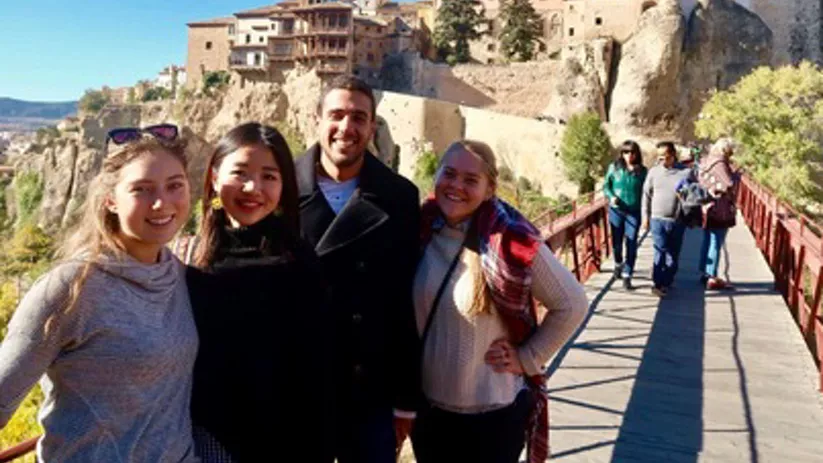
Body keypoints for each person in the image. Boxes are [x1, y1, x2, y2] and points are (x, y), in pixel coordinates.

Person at [0, 127, 199, 462]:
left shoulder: (178, 274)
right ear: (110, 199)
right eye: (141, 189)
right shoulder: (70, 287)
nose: (162, 202)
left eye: (174, 185)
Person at [410, 140, 588, 463]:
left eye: (470, 180)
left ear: (490, 188)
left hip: (491, 420)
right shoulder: (422, 227)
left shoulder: (508, 240)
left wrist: (527, 357)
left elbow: (572, 303)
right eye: (448, 174)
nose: (456, 186)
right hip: (429, 415)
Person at [184, 122, 333, 462]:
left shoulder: (298, 262)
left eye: (269, 176)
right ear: (214, 177)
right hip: (207, 440)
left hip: (285, 441)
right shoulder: (188, 258)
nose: (253, 188)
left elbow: (318, 371)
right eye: (240, 173)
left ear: (284, 186)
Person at [295, 75, 421, 462]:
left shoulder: (399, 196)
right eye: (336, 114)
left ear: (372, 126)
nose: (346, 128)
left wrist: (405, 400)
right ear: (315, 119)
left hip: (371, 388)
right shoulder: (279, 189)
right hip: (296, 387)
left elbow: (404, 301)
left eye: (358, 117)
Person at [642, 141, 693, 297]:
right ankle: (658, 284)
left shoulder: (686, 173)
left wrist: (684, 197)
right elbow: (646, 196)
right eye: (658, 157)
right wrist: (645, 217)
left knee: (673, 255)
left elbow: (693, 197)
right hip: (657, 219)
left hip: (677, 220)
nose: (661, 160)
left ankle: (667, 281)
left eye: (664, 156)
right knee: (660, 251)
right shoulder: (653, 172)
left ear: (673, 155)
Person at [603, 140, 647, 290]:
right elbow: (606, 186)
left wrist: (647, 213)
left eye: (632, 152)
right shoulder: (614, 168)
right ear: (622, 153)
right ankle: (618, 263)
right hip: (616, 210)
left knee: (632, 242)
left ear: (637, 154)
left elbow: (647, 193)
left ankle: (627, 275)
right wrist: (611, 196)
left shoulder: (642, 171)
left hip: (634, 212)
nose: (629, 155)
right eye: (626, 152)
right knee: (616, 242)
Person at [697, 138, 739, 290]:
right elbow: (729, 183)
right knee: (716, 241)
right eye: (730, 151)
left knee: (707, 240)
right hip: (720, 208)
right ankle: (711, 276)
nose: (731, 154)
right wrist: (735, 175)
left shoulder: (705, 162)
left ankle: (704, 271)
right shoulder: (720, 163)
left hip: (707, 206)